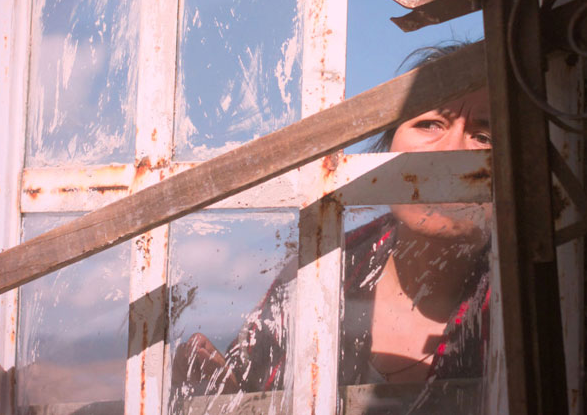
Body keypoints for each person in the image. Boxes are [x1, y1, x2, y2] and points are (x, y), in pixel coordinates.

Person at [171, 41, 492, 402]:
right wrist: (232, 396)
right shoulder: (317, 272)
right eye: (429, 124)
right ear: (387, 149)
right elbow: (257, 389)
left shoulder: (527, 298)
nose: (449, 152)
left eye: (484, 136)